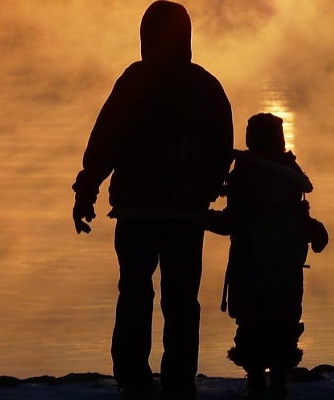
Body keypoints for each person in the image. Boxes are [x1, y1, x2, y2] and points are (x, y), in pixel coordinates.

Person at [71, 2, 233, 399]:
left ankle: (133, 377)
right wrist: (207, 190)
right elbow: (222, 148)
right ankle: (178, 380)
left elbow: (106, 138)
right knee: (181, 299)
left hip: (137, 211)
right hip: (184, 215)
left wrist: (87, 188)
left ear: (146, 37)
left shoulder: (135, 80)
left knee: (135, 292)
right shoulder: (206, 86)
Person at [206, 113, 328, 400]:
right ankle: (279, 381)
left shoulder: (242, 175)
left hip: (247, 274)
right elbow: (308, 227)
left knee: (251, 327)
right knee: (284, 328)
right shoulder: (291, 175)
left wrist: (200, 218)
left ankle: (257, 382)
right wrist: (317, 235)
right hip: (286, 276)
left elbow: (230, 222)